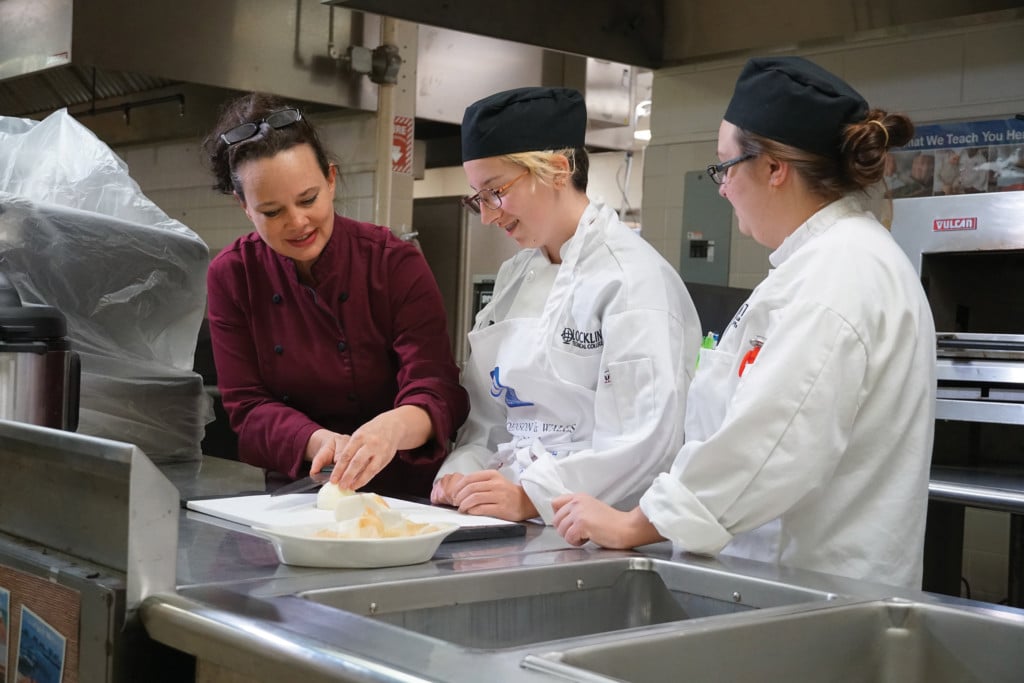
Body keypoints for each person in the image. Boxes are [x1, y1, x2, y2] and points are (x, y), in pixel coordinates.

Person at [552, 56, 937, 589]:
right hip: (794, 585)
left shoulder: (838, 275)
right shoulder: (824, 263)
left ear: (775, 169)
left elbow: (767, 443)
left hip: (816, 597)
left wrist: (636, 524)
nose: (722, 188)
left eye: (726, 167)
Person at [430, 87, 702, 524]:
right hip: (506, 516)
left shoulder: (631, 280)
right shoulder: (514, 277)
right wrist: (462, 473)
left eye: (495, 191)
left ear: (558, 171)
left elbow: (645, 442)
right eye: (478, 197)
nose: (488, 215)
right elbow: (488, 415)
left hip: (592, 528)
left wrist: (532, 496)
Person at [203, 93, 469, 497]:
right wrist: (321, 442)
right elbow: (248, 407)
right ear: (244, 206)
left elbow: (436, 387)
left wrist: (391, 428)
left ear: (330, 180)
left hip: (405, 495)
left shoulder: (393, 263)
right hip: (298, 491)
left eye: (308, 199)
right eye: (272, 212)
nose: (297, 222)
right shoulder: (233, 275)